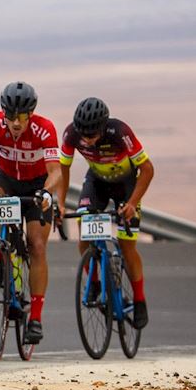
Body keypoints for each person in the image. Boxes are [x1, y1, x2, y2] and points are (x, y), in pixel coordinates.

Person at [0, 81, 62, 345]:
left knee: (37, 246)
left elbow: (56, 173)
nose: (15, 123)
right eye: (10, 116)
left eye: (21, 116)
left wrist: (46, 192)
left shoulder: (45, 128)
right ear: (3, 111)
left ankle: (36, 318)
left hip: (37, 185)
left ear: (31, 113)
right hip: (6, 178)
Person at [59, 96, 155, 328]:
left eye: (92, 135)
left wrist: (132, 203)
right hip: (97, 183)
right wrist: (60, 203)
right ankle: (93, 280)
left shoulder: (119, 131)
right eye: (84, 134)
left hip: (127, 186)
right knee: (84, 225)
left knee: (126, 246)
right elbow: (63, 169)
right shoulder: (71, 134)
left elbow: (147, 169)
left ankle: (140, 300)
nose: (87, 140)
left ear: (103, 127)